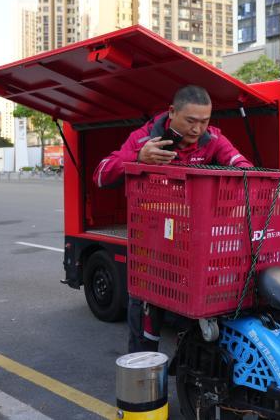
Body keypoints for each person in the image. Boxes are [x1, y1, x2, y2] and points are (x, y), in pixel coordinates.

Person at [93, 85, 253, 353]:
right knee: (145, 318)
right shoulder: (144, 139)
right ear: (171, 112)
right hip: (150, 247)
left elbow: (244, 168)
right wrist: (138, 158)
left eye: (204, 121)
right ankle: (143, 367)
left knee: (192, 323)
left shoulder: (213, 139)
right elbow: (100, 174)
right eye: (190, 121)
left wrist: (238, 197)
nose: (197, 129)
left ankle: (188, 366)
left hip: (190, 249)